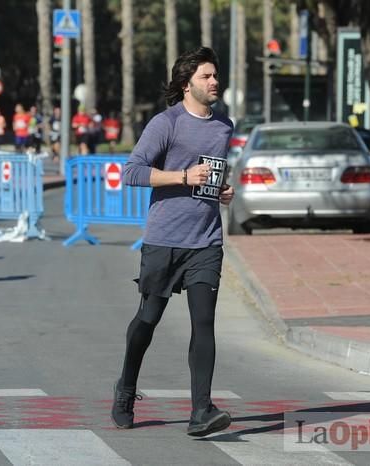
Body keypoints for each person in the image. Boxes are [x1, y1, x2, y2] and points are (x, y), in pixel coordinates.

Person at [111, 46, 235, 437]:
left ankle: (201, 411)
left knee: (204, 324)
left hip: (206, 240)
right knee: (148, 319)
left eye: (216, 75)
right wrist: (183, 177)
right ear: (186, 85)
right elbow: (131, 172)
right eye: (206, 76)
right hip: (164, 239)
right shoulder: (166, 124)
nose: (215, 82)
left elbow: (208, 179)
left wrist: (221, 191)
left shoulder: (224, 126)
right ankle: (126, 388)